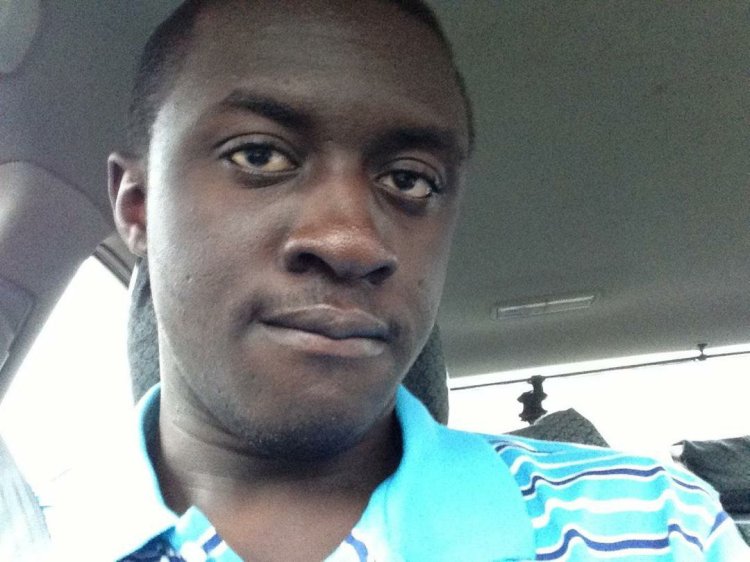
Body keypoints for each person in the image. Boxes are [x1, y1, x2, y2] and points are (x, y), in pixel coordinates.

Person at [53, 1, 750, 560]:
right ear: (137, 208)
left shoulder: (657, 527)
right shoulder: (32, 540)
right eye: (259, 155)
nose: (351, 241)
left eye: (410, 179)